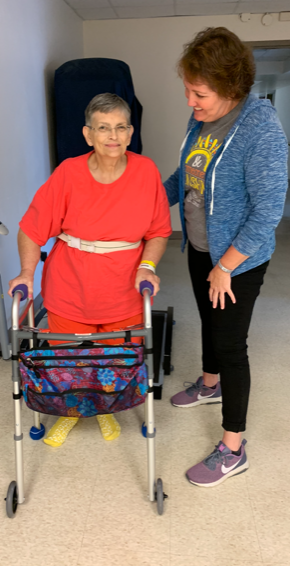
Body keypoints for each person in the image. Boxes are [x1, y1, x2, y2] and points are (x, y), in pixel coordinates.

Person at [9, 93, 172, 447]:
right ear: (88, 134)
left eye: (120, 127)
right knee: (68, 360)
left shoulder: (146, 172)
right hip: (70, 287)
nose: (112, 136)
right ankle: (71, 411)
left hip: (124, 290)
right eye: (103, 128)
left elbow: (159, 231)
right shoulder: (68, 172)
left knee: (114, 362)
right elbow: (32, 229)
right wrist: (26, 272)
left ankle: (105, 410)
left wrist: (148, 266)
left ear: (130, 133)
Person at [165, 27, 288, 487]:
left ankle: (233, 449)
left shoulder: (261, 131)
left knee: (232, 345)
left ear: (232, 86)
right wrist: (146, 202)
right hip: (201, 246)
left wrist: (225, 266)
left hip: (239, 261)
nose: (190, 103)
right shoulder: (202, 121)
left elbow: (267, 213)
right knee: (209, 322)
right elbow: (186, 176)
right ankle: (208, 384)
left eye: (199, 93)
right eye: (188, 91)